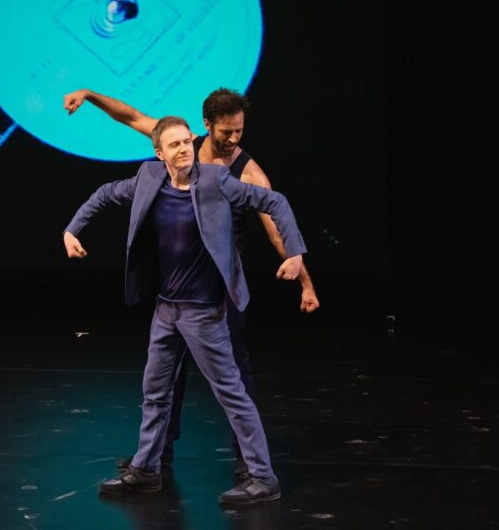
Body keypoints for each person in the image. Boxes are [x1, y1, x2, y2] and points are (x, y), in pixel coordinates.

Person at [64, 87, 319, 479]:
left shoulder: (239, 174)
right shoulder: (178, 146)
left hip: (216, 286)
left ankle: (249, 462)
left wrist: (305, 281)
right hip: (173, 292)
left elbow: (276, 228)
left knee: (233, 378)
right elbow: (131, 117)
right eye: (226, 133)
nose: (233, 140)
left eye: (239, 132)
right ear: (206, 127)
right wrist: (89, 95)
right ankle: (153, 458)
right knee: (164, 380)